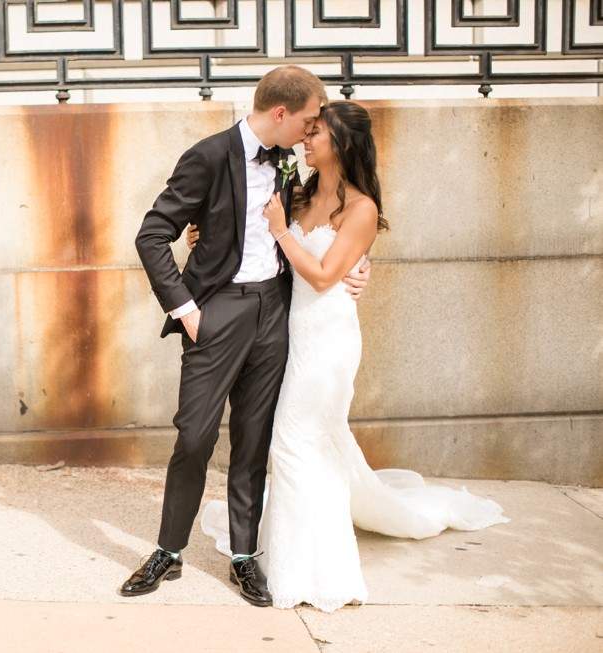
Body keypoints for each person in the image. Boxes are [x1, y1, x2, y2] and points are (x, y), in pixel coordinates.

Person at [199, 100, 509, 612]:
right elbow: (255, 240)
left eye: (315, 132)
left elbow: (322, 276)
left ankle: (320, 573)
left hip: (328, 342)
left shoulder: (361, 208)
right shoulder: (295, 194)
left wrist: (283, 232)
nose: (305, 138)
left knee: (295, 442)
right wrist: (206, 233)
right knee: (303, 447)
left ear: (340, 144)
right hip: (289, 335)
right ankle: (288, 555)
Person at [123, 66, 372, 607]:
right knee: (194, 435)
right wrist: (187, 310)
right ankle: (169, 550)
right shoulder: (209, 156)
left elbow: (326, 227)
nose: (311, 135)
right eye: (308, 122)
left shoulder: (292, 167)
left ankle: (244, 557)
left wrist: (356, 267)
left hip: (277, 312)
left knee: (255, 440)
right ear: (281, 114)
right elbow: (152, 234)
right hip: (217, 313)